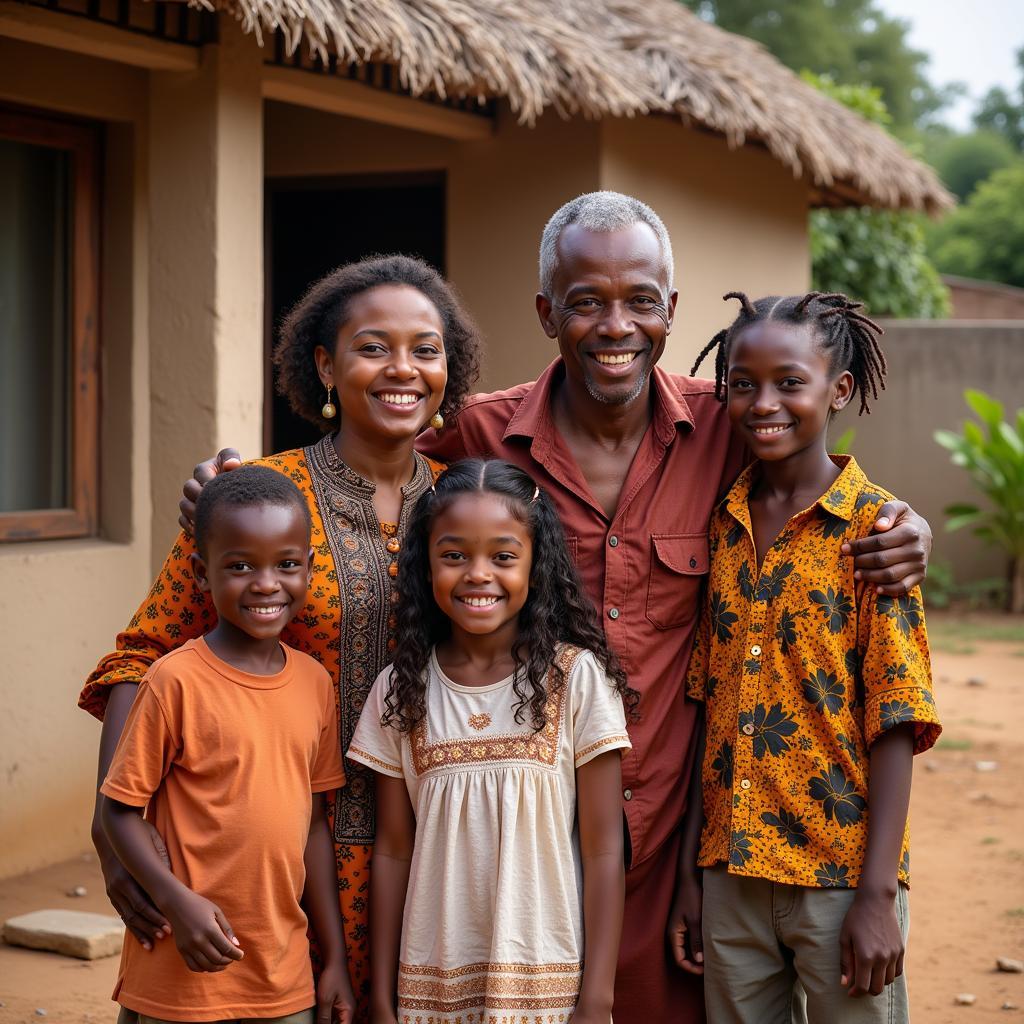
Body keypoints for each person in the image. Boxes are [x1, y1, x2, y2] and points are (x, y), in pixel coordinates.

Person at [181, 192, 933, 1022]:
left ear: (672, 310)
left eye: (641, 301)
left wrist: (904, 523)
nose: (616, 326)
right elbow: (366, 455)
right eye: (586, 302)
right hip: (512, 847)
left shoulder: (730, 424)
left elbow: (815, 469)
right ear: (547, 312)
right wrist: (238, 486)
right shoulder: (477, 437)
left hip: (673, 854)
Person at [80, 255, 483, 1021]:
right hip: (268, 867)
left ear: (449, 370)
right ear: (325, 365)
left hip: (427, 857)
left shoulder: (466, 508)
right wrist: (110, 822)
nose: (402, 369)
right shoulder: (257, 503)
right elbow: (143, 653)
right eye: (373, 347)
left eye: (426, 350)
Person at [680, 291, 941, 1023]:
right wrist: (690, 877)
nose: (764, 402)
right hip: (731, 873)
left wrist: (878, 897)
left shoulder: (875, 534)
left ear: (840, 389)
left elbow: (896, 720)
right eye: (741, 383)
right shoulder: (724, 523)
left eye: (790, 382)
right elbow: (710, 706)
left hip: (841, 878)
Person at [347, 459, 635, 1024]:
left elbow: (604, 850)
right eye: (454, 556)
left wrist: (597, 997)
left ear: (536, 565)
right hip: (433, 989)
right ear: (425, 566)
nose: (478, 574)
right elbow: (392, 851)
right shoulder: (399, 692)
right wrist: (381, 996)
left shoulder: (573, 680)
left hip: (547, 988)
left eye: (503, 556)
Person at [101, 466, 355, 1024]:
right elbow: (119, 812)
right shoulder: (174, 682)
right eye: (240, 566)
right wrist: (175, 901)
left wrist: (332, 957)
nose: (266, 584)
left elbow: (313, 824)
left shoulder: (315, 684)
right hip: (182, 966)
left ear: (308, 569)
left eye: (287, 565)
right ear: (200, 573)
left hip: (280, 974)